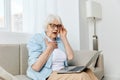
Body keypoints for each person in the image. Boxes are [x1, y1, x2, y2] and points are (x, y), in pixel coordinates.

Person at [26, 14, 98, 80]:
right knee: (82, 76)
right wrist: (49, 48)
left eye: (58, 26)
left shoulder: (60, 40)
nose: (56, 29)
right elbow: (36, 67)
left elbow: (70, 57)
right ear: (46, 26)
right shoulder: (37, 39)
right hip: (48, 74)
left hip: (63, 71)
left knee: (88, 71)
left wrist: (64, 37)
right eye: (53, 25)